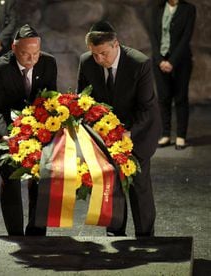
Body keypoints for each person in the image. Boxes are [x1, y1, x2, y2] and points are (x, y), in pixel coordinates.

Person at [77, 21, 161, 237]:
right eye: (94, 54)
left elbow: (146, 108)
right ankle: (114, 235)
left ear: (116, 45)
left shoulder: (138, 63)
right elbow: (84, 101)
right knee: (110, 187)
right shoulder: (86, 62)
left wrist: (127, 133)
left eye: (103, 53)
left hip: (137, 133)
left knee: (139, 188)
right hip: (104, 136)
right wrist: (95, 132)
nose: (99, 59)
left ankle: (145, 237)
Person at [0, 24, 58, 236]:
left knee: (39, 176)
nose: (31, 60)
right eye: (25, 54)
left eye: (35, 54)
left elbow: (50, 101)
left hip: (35, 127)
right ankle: (15, 234)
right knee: (10, 177)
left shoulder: (48, 63)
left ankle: (37, 233)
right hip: (2, 129)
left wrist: (43, 132)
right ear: (13, 48)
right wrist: (7, 137)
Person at [150, 0, 196, 150]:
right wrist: (159, 60)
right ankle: (166, 134)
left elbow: (186, 37)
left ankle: (181, 136)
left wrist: (172, 61)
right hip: (159, 62)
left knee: (181, 97)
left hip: (180, 61)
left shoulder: (188, 9)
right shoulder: (157, 9)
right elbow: (153, 37)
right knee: (163, 98)